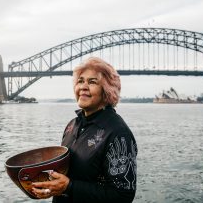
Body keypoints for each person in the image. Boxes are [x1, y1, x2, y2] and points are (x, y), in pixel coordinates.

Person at [31, 57, 137, 203]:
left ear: (107, 90)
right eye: (80, 81)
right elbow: (67, 176)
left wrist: (69, 187)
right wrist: (51, 188)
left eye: (92, 82)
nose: (83, 87)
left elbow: (123, 196)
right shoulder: (71, 126)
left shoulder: (118, 133)